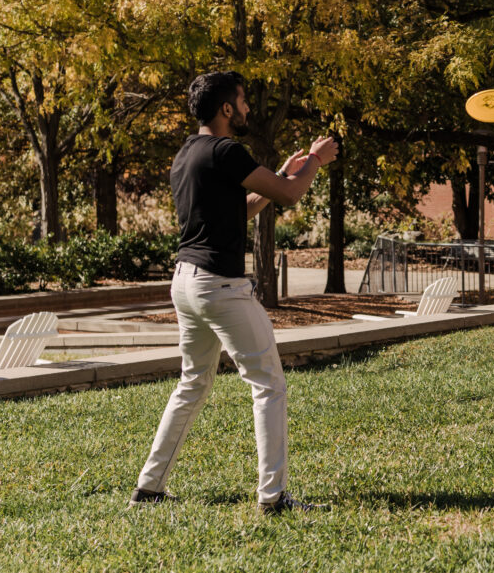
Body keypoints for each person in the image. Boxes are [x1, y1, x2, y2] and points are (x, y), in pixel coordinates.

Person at [130, 71, 340, 514]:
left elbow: (241, 207)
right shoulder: (228, 150)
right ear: (226, 108)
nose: (247, 108)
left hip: (186, 283)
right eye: (242, 101)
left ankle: (149, 488)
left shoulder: (189, 153)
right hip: (220, 286)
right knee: (268, 384)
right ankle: (273, 498)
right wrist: (316, 161)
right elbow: (287, 195)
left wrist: (283, 171)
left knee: (192, 383)